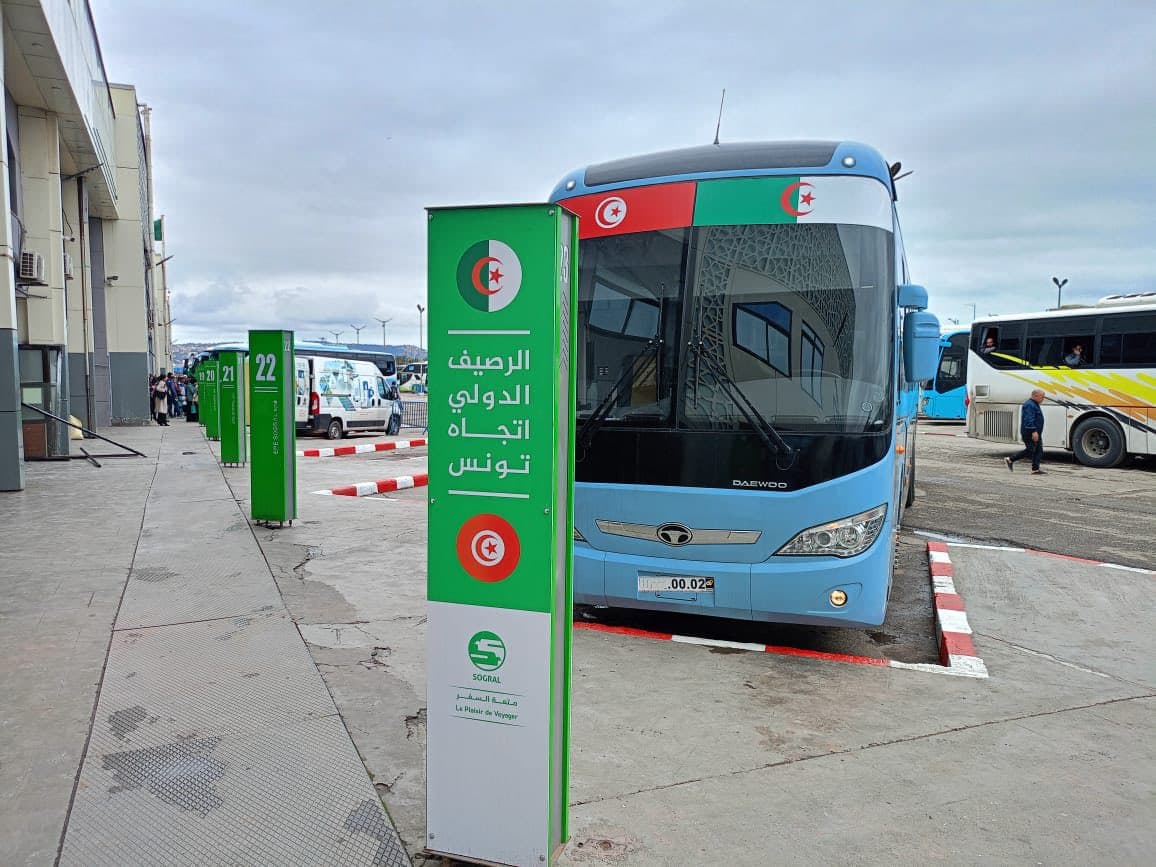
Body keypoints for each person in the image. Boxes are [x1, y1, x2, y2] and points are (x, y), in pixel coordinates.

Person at [1005, 388, 1046, 474]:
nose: (1043, 399)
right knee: (1031, 450)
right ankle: (1010, 459)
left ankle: (1035, 469)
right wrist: (1034, 431)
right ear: (1035, 396)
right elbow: (1029, 419)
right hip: (1029, 432)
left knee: (1038, 450)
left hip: (1035, 432)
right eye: (1042, 397)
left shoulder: (1034, 404)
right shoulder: (1030, 405)